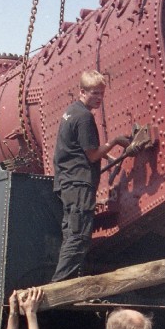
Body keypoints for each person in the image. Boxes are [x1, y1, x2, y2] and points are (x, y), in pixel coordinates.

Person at [51, 70, 130, 282]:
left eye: (102, 93)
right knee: (79, 237)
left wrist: (106, 152)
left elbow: (80, 150)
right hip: (79, 183)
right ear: (81, 91)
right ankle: (58, 286)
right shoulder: (85, 117)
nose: (99, 98)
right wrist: (114, 141)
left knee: (71, 234)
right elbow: (92, 155)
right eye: (95, 93)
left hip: (67, 182)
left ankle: (63, 283)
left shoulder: (71, 112)